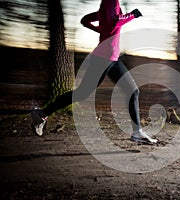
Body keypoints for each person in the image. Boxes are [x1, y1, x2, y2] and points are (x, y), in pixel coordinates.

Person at [31, 0, 158, 144]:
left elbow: (86, 20)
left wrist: (102, 30)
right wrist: (132, 15)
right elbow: (114, 22)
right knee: (82, 92)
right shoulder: (112, 1)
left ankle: (137, 133)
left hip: (113, 59)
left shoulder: (108, 5)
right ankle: (42, 113)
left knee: (132, 91)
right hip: (102, 59)